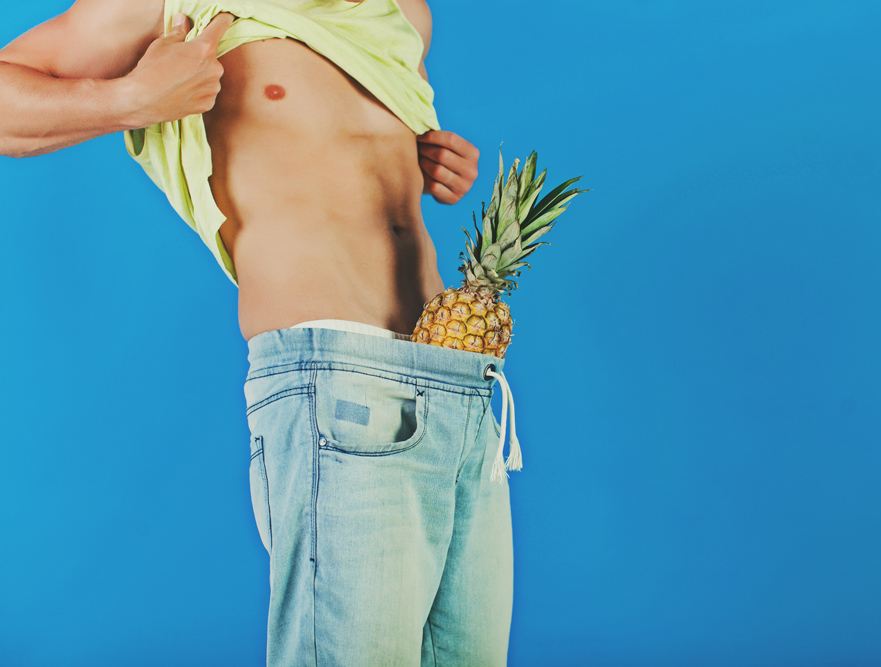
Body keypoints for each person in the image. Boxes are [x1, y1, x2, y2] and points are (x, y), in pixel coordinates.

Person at [0, 1, 516, 665]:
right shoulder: (172, 5)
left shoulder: (404, 15)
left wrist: (433, 163)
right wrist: (131, 99)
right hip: (338, 378)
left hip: (457, 379)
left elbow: (339, 152)